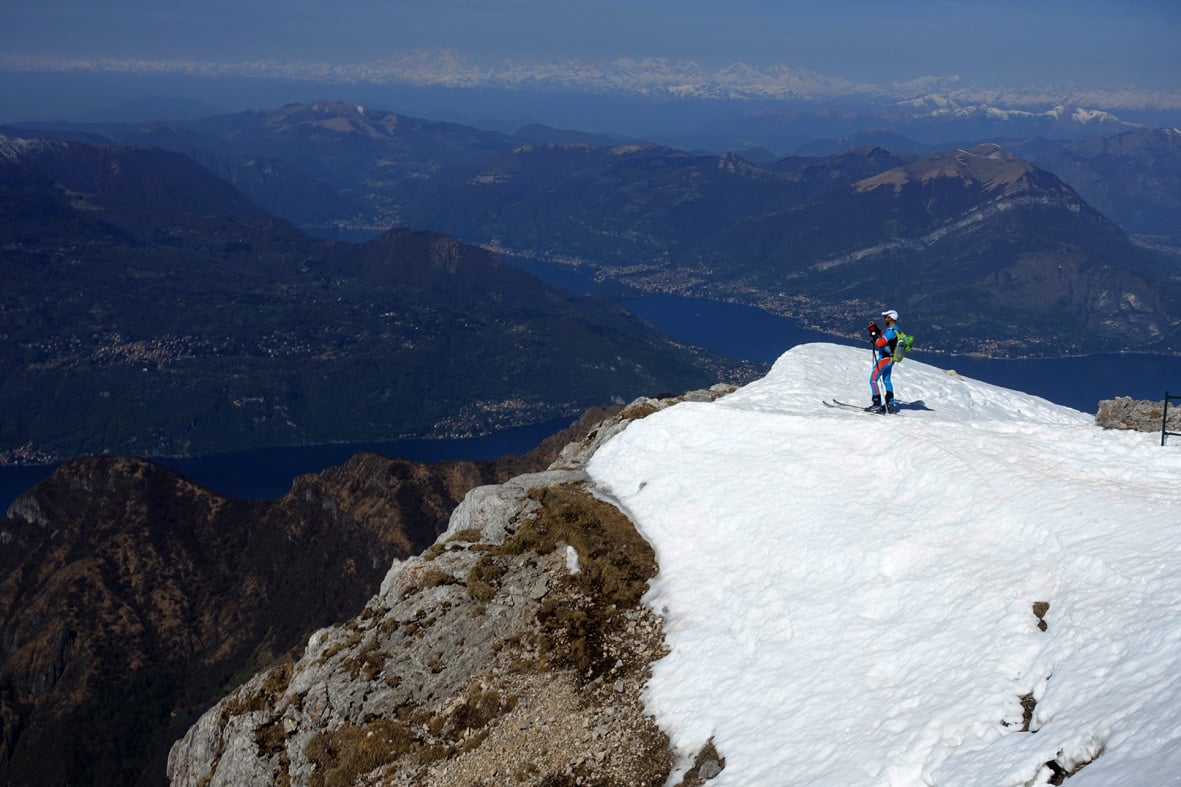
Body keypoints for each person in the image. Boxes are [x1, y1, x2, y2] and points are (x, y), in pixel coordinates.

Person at [866, 309, 901, 414]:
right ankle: (890, 405)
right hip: (891, 359)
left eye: (885, 317)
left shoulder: (891, 332)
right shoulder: (896, 330)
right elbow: (884, 335)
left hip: (885, 359)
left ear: (890, 318)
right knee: (887, 381)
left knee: (872, 380)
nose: (884, 318)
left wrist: (875, 336)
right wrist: (876, 330)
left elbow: (881, 343)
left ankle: (876, 404)